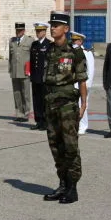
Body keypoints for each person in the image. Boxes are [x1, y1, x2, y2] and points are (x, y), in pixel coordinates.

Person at [42, 12, 88, 204]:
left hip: (68, 105)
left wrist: (83, 104)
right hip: (51, 103)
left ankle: (72, 188)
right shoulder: (49, 50)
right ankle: (62, 184)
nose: (53, 28)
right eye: (52, 25)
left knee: (70, 146)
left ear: (66, 29)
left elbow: (82, 80)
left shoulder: (75, 52)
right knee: (55, 145)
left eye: (56, 25)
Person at [70, 31, 95, 135]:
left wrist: (87, 85)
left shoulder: (87, 53)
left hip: (82, 84)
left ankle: (83, 126)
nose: (73, 42)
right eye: (72, 40)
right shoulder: (70, 52)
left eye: (75, 40)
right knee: (72, 106)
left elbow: (91, 70)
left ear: (80, 41)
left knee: (82, 104)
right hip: (72, 84)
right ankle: (74, 125)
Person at [8, 22, 33, 122]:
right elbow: (10, 57)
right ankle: (19, 113)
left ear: (24, 31)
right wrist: (10, 69)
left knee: (25, 93)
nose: (18, 32)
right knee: (17, 93)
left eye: (20, 30)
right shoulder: (12, 41)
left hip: (25, 71)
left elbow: (32, 57)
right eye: (17, 30)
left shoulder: (30, 41)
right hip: (15, 71)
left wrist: (31, 70)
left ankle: (26, 114)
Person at [29, 22, 51, 130]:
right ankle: (38, 121)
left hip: (44, 77)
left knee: (44, 100)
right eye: (36, 31)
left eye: (39, 31)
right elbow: (32, 61)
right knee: (36, 100)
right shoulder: (34, 44)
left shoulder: (49, 44)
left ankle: (45, 122)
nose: (37, 33)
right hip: (35, 77)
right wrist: (31, 75)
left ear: (44, 32)